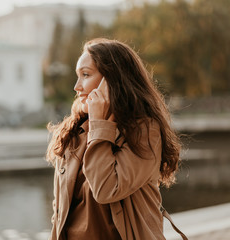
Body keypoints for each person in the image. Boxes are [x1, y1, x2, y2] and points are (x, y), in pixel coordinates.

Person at [46, 38, 185, 240]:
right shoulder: (73, 133)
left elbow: (106, 189)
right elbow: (58, 214)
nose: (77, 86)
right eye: (77, 76)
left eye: (85, 75)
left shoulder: (144, 131)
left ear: (112, 80)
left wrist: (100, 125)